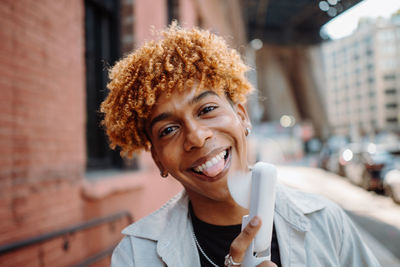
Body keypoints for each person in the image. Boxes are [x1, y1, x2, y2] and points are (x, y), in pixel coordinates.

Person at [100, 23, 380, 267]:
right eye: (169, 129)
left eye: (207, 109)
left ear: (242, 117)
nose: (197, 137)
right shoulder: (136, 256)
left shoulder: (327, 223)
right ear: (158, 159)